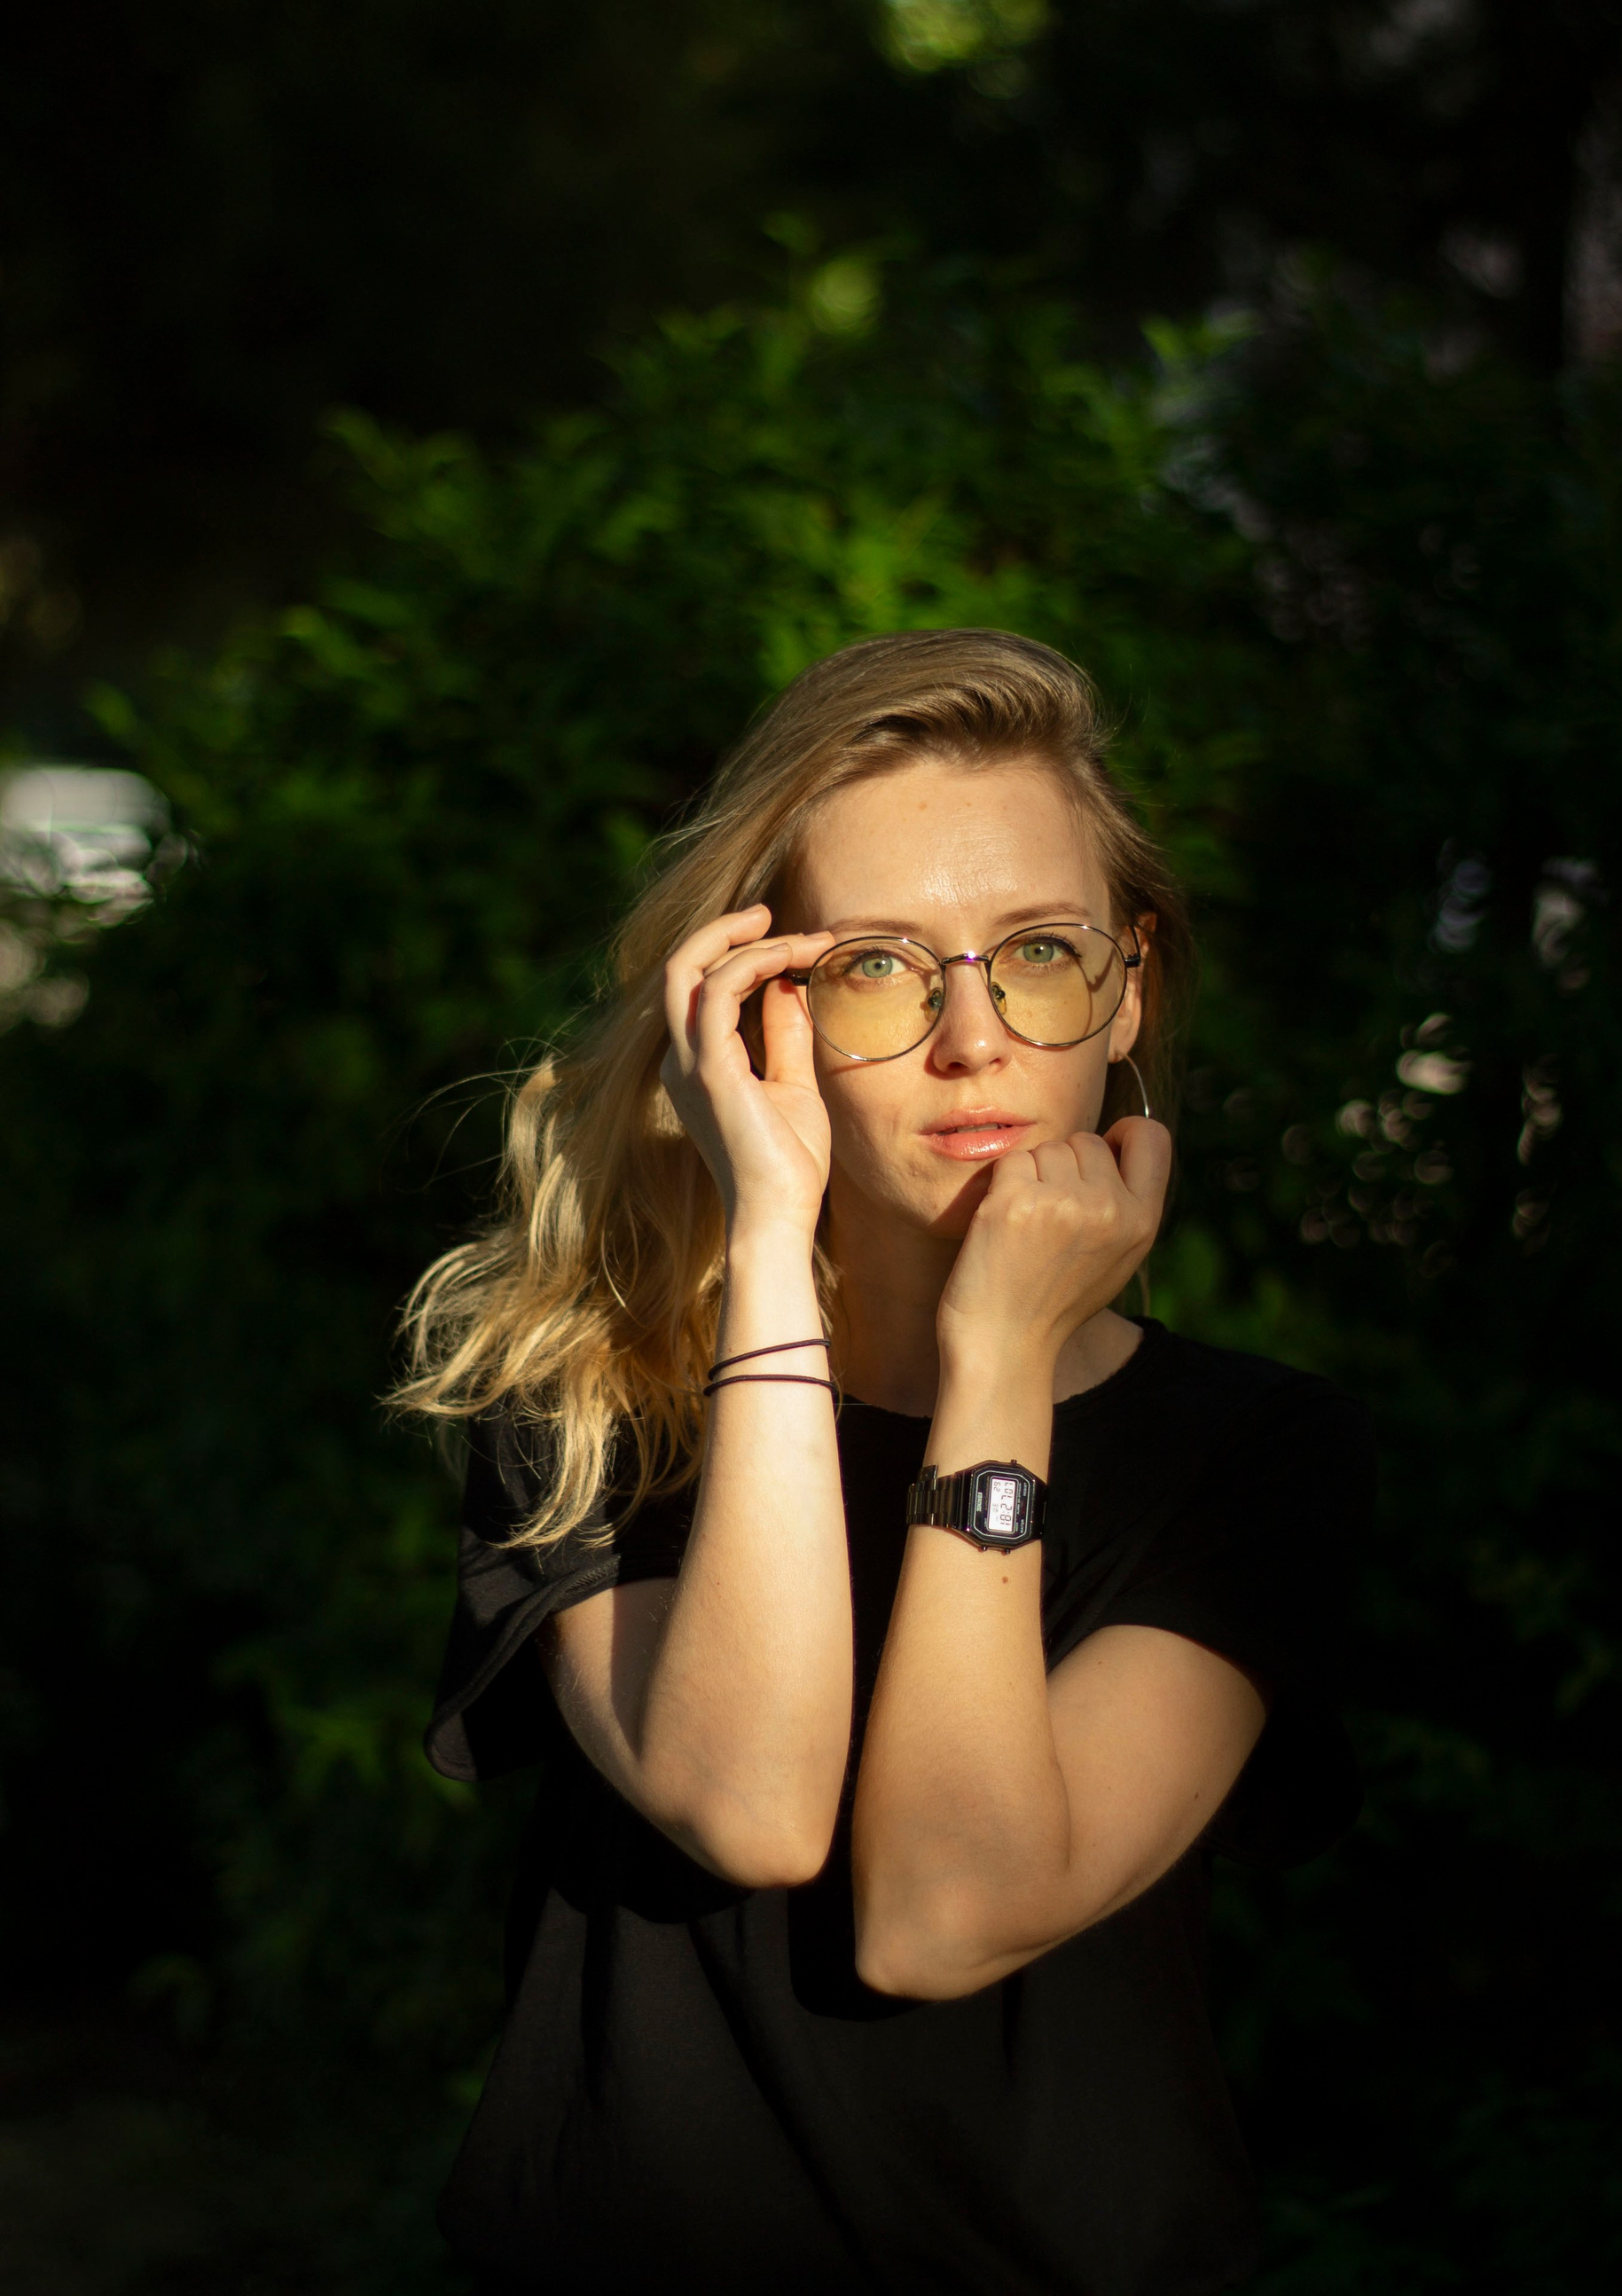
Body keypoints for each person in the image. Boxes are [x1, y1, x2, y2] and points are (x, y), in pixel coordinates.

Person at [403, 629, 1373, 2294]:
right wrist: (769, 1225)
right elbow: (755, 1808)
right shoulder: (588, 1412)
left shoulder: (1254, 1459)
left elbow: (944, 1910)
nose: (973, 1039)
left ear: (1130, 987)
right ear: (758, 1009)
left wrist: (997, 1372)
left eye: (1040, 952)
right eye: (878, 967)